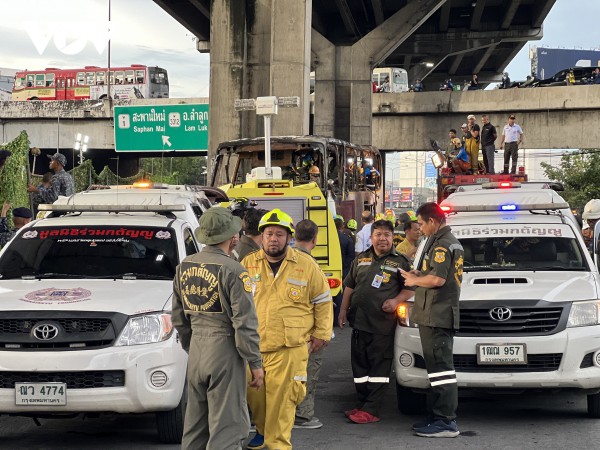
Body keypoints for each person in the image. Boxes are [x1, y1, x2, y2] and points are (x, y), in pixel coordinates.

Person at [171, 207, 264, 450]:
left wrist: (192, 346)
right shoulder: (234, 270)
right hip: (224, 349)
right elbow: (245, 323)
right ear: (231, 237)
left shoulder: (184, 267)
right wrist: (255, 363)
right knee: (228, 427)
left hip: (197, 351)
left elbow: (179, 318)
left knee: (195, 426)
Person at [242, 209, 333, 450]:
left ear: (289, 237)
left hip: (290, 348)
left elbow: (323, 300)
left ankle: (278, 444)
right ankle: (263, 434)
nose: (273, 238)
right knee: (257, 399)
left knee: (282, 403)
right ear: (261, 237)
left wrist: (322, 334)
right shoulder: (247, 264)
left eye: (279, 234)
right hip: (255, 347)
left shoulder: (306, 265)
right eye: (269, 233)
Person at [338, 219, 414, 424]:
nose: (383, 239)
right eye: (378, 234)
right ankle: (362, 404)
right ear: (371, 237)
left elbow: (411, 288)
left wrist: (396, 300)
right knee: (360, 367)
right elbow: (349, 286)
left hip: (382, 325)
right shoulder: (361, 258)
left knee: (379, 368)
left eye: (387, 235)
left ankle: (372, 409)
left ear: (392, 238)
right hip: (359, 323)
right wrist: (343, 310)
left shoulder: (401, 261)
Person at [400, 202, 463, 438]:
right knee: (437, 370)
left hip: (437, 315)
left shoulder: (443, 244)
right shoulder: (442, 242)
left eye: (422, 224)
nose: (420, 229)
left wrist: (415, 281)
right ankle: (438, 417)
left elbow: (438, 280)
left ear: (433, 222)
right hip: (434, 314)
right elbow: (435, 274)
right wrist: (419, 275)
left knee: (441, 370)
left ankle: (446, 421)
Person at [291, 219, 330, 431]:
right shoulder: (311, 266)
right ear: (315, 239)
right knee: (306, 375)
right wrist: (321, 334)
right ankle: (302, 416)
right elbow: (323, 302)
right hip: (306, 333)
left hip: (281, 332)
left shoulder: (282, 260)